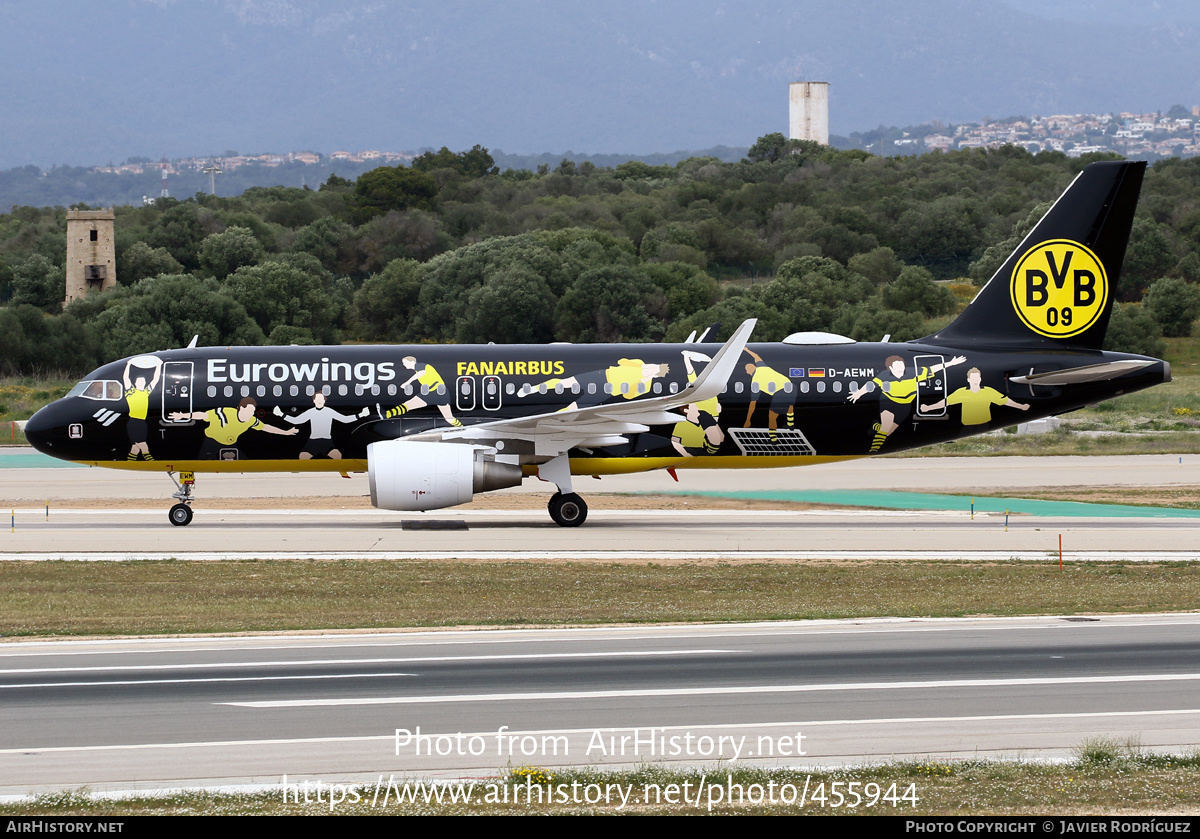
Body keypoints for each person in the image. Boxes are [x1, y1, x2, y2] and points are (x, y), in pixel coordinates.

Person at [848, 354, 965, 452]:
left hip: (905, 406)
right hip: (889, 402)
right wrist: (859, 393)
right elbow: (871, 385)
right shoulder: (884, 375)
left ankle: (875, 426)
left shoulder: (913, 372)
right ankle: (873, 451)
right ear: (891, 368)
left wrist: (951, 363)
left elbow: (932, 369)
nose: (901, 367)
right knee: (886, 427)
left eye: (902, 364)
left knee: (888, 432)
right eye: (897, 365)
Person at [171, 397, 297, 460]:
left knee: (246, 462)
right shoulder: (224, 413)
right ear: (241, 408)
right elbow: (203, 415)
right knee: (201, 460)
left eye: (253, 411)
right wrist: (183, 415)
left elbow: (266, 427)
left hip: (230, 444)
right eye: (249, 411)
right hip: (211, 442)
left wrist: (285, 432)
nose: (251, 414)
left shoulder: (250, 420)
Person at [275, 390, 367, 459]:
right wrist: (281, 415)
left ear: (324, 401)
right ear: (313, 401)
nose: (319, 401)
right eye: (317, 399)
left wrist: (360, 415)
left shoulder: (329, 411)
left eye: (321, 399)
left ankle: (338, 477)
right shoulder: (310, 412)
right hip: (313, 441)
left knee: (338, 456)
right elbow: (296, 420)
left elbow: (345, 419)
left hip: (327, 441)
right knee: (302, 457)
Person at [924, 367, 1030, 426]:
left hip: (984, 425)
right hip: (966, 426)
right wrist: (928, 408)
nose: (975, 380)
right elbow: (945, 402)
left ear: (980, 379)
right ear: (968, 380)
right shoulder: (961, 392)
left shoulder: (988, 391)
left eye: (977, 378)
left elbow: (1006, 401)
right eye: (973, 378)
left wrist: (1021, 406)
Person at [378, 356, 462, 427]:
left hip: (436, 391)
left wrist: (407, 383)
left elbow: (422, 373)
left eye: (405, 362)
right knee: (449, 418)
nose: (404, 365)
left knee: (408, 405)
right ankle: (461, 427)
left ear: (411, 362)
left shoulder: (419, 366)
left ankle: (387, 414)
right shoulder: (418, 368)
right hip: (438, 393)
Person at [123, 356, 162, 461]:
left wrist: (159, 365)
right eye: (139, 382)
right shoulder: (130, 392)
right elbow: (126, 378)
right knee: (143, 444)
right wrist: (129, 364)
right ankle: (151, 461)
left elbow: (155, 379)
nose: (141, 383)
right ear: (135, 383)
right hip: (134, 421)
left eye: (143, 382)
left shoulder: (146, 392)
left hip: (142, 422)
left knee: (135, 447)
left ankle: (130, 462)